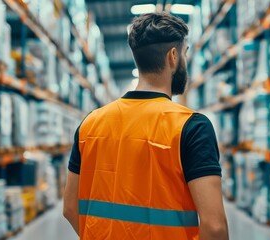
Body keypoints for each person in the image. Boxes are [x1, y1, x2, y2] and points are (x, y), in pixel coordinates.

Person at [63, 12, 228, 240]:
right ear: (173, 56)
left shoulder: (91, 123)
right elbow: (215, 226)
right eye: (185, 53)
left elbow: (70, 207)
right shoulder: (191, 126)